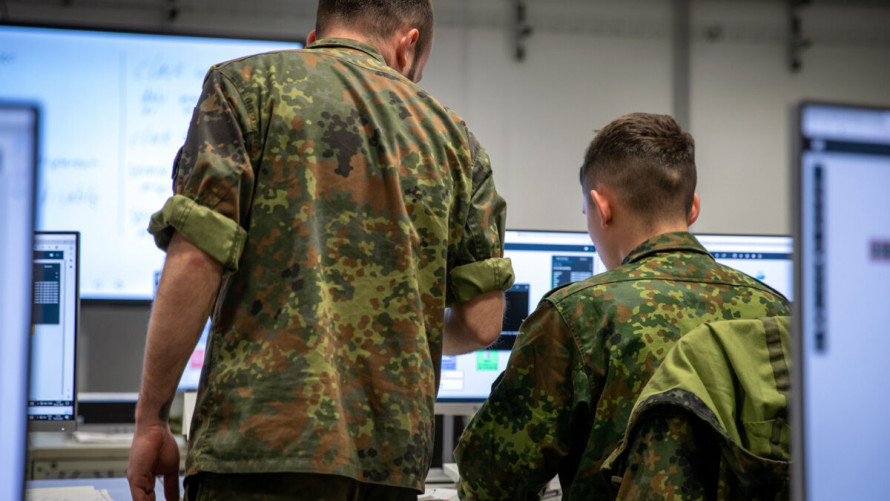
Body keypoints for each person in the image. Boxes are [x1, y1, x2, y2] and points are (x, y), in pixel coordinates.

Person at [126, 1, 515, 500]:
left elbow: (197, 255)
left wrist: (151, 419)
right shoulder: (458, 142)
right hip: (389, 467)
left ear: (316, 38)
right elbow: (482, 324)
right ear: (408, 45)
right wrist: (400, 334)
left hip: (257, 449)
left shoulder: (244, 87)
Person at [453, 112, 791, 500]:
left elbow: (490, 484)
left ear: (602, 208)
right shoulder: (777, 311)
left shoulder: (576, 315)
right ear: (692, 208)